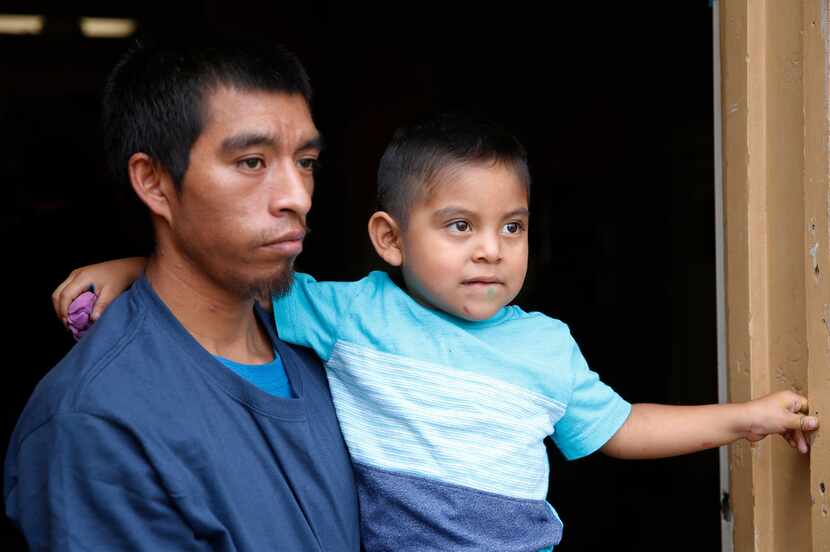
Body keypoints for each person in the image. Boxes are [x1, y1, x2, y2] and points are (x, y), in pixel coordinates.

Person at [51, 116, 819, 552]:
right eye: (460, 226)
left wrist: (746, 419)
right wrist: (132, 267)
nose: (490, 248)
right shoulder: (351, 310)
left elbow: (621, 428)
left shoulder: (545, 346)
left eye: (510, 227)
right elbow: (228, 285)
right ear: (390, 239)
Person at [4, 38, 361, 551]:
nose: (298, 197)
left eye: (305, 161)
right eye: (253, 162)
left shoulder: (332, 347)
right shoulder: (100, 423)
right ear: (154, 183)